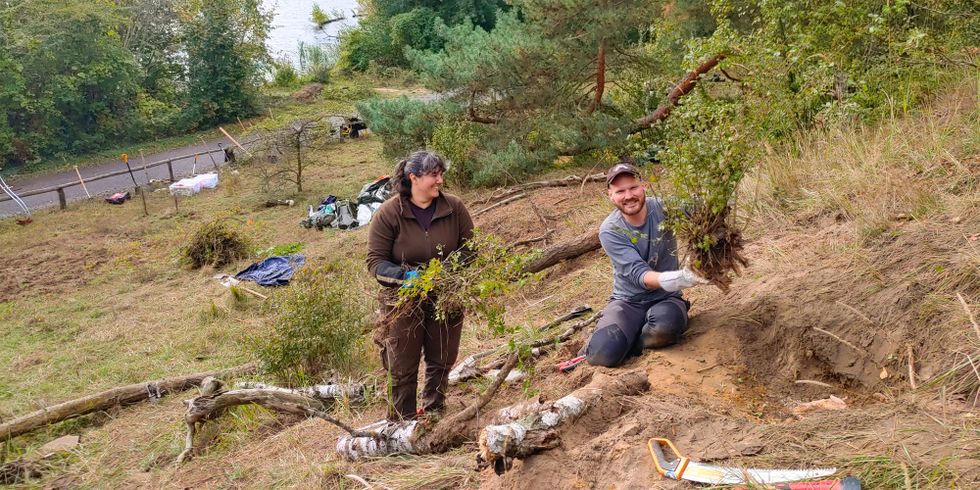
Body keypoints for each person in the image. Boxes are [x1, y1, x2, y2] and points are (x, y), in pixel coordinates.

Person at [366, 151, 475, 419]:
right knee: (402, 363)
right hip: (402, 301)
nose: (440, 180)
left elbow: (471, 249)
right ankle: (402, 421)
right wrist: (408, 279)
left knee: (442, 358)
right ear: (413, 178)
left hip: (445, 295)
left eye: (441, 174)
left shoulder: (454, 207)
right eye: (434, 175)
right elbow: (375, 262)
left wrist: (443, 273)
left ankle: (433, 414)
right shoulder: (389, 213)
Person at [582, 161, 706, 367]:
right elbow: (640, 276)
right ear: (610, 195)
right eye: (620, 191)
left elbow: (703, 208)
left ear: (644, 186)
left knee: (664, 328)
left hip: (666, 298)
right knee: (601, 356)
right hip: (627, 302)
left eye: (633, 187)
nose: (628, 195)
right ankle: (615, 338)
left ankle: (635, 341)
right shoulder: (610, 230)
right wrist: (682, 278)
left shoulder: (664, 207)